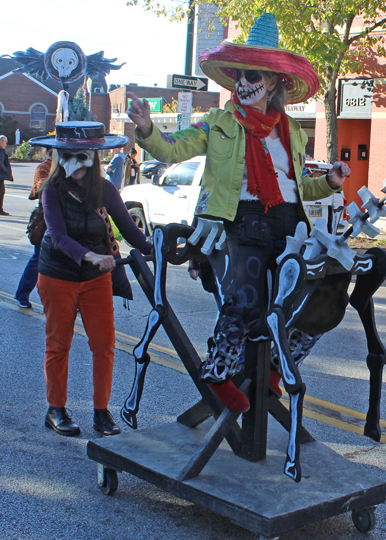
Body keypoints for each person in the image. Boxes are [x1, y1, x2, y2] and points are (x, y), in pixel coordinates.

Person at [127, 13, 350, 413]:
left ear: (274, 83)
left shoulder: (291, 131)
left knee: (317, 299)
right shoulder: (219, 122)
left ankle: (277, 368)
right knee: (247, 300)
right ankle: (218, 373)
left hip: (289, 223)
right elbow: (174, 148)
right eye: (240, 76)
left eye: (253, 77)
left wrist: (330, 182)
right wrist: (146, 130)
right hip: (241, 221)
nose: (244, 84)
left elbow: (298, 187)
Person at [29, 121, 152, 437]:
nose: (78, 160)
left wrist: (159, 249)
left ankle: (101, 413)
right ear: (61, 156)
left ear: (95, 156)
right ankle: (56, 409)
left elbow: (130, 230)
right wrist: (92, 256)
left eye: (85, 154)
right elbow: (56, 236)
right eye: (71, 153)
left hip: (96, 279)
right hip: (57, 275)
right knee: (59, 343)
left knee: (104, 345)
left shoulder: (106, 189)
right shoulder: (52, 191)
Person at [15, 149, 53, 308]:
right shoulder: (44, 168)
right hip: (46, 217)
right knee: (38, 258)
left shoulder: (70, 168)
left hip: (68, 218)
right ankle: (22, 294)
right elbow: (41, 188)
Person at [0, 135, 14, 216]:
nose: (5, 143)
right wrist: (5, 171)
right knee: (1, 192)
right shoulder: (1, 150)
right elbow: (0, 162)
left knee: (2, 191)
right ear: (1, 141)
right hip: (0, 175)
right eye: (5, 141)